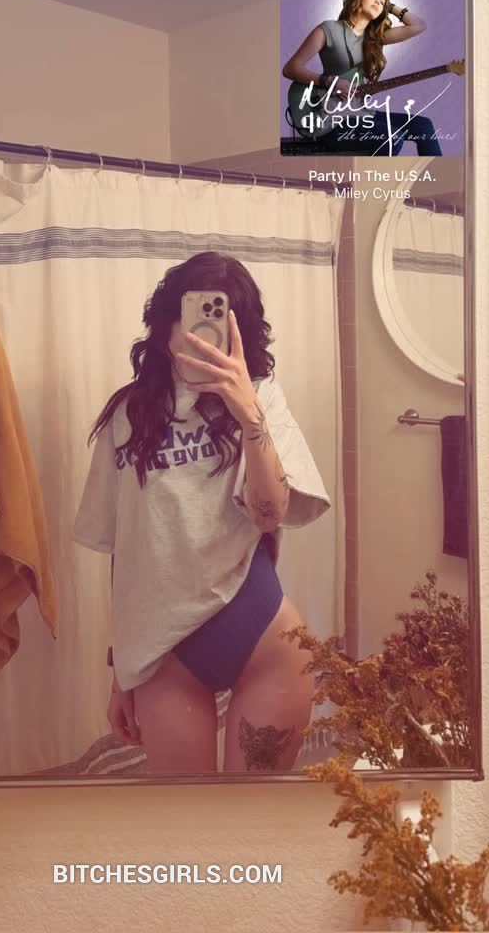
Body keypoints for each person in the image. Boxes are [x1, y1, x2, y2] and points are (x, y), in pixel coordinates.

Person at [74, 251, 331, 774]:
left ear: (241, 337)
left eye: (218, 327)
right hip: (164, 652)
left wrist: (248, 415)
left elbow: (269, 515)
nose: (201, 340)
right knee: (185, 814)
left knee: (253, 810)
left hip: (261, 633)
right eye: (190, 320)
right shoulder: (127, 416)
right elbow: (127, 548)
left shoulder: (261, 398)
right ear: (166, 325)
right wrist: (121, 669)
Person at [282, 0, 443, 156]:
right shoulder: (328, 29)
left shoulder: (376, 38)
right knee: (392, 137)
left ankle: (438, 175)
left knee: (423, 125)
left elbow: (419, 25)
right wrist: (330, 82)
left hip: (358, 111)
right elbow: (290, 69)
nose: (378, 1)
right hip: (329, 119)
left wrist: (390, 6)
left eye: (383, 1)